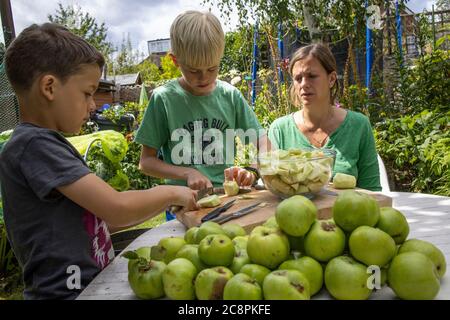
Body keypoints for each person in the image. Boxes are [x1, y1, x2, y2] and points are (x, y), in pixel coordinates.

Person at [0, 23, 198, 300]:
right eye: (87, 93)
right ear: (49, 87)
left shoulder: (45, 144)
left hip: (90, 286)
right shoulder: (34, 146)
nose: (93, 105)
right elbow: (116, 208)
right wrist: (171, 192)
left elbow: (95, 220)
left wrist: (161, 204)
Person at [135, 11, 268, 218]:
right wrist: (187, 172)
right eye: (194, 70)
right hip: (182, 205)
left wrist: (252, 170)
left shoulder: (230, 96)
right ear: (175, 61)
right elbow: (146, 163)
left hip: (226, 199)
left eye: (212, 68)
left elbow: (262, 141)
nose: (204, 78)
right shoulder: (164, 99)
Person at [268, 43, 381, 191]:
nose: (304, 84)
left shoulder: (358, 126)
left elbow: (372, 192)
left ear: (332, 79)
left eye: (312, 76)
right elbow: (272, 188)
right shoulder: (280, 130)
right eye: (298, 78)